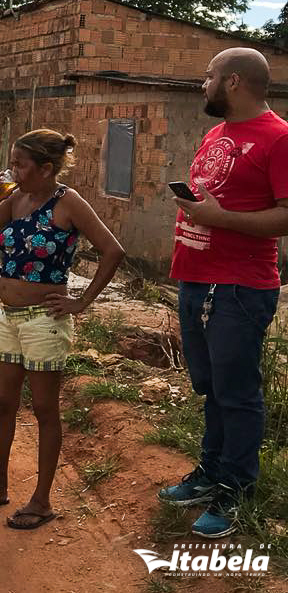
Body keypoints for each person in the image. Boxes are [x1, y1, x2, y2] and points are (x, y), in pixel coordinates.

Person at [0, 129, 124, 530]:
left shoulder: (67, 203)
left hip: (44, 321)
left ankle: (41, 500)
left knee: (44, 408)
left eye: (20, 164)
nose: (11, 170)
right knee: (3, 403)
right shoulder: (14, 198)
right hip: (9, 317)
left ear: (46, 168)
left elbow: (112, 250)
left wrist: (80, 302)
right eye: (12, 162)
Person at [159, 47, 288, 539]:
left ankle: (237, 489)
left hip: (239, 287)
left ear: (233, 82)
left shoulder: (278, 139)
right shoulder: (218, 133)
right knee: (210, 387)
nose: (203, 84)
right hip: (196, 277)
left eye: (208, 76)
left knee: (237, 393)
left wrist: (220, 219)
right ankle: (210, 473)